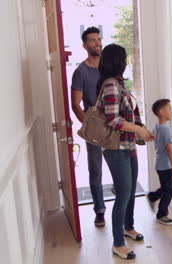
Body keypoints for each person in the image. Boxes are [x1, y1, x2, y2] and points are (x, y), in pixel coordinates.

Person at [98, 43, 155, 259]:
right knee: (123, 194)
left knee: (130, 190)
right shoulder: (111, 85)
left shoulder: (120, 83)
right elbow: (113, 120)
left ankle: (128, 227)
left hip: (128, 146)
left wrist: (142, 131)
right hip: (116, 148)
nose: (126, 62)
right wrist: (139, 130)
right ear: (117, 61)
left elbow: (130, 112)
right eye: (124, 58)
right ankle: (118, 243)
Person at [70, 26, 107, 226]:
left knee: (121, 166)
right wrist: (89, 126)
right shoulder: (80, 72)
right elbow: (75, 103)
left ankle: (123, 207)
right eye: (92, 40)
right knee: (96, 171)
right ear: (85, 46)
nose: (97, 42)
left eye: (98, 39)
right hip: (95, 128)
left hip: (115, 125)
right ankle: (99, 210)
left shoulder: (107, 67)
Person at [147, 99, 172, 225]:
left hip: (160, 164)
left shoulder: (157, 128)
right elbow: (169, 150)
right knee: (169, 189)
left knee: (168, 187)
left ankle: (153, 196)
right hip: (166, 165)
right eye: (169, 109)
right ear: (161, 112)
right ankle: (162, 214)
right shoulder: (165, 129)